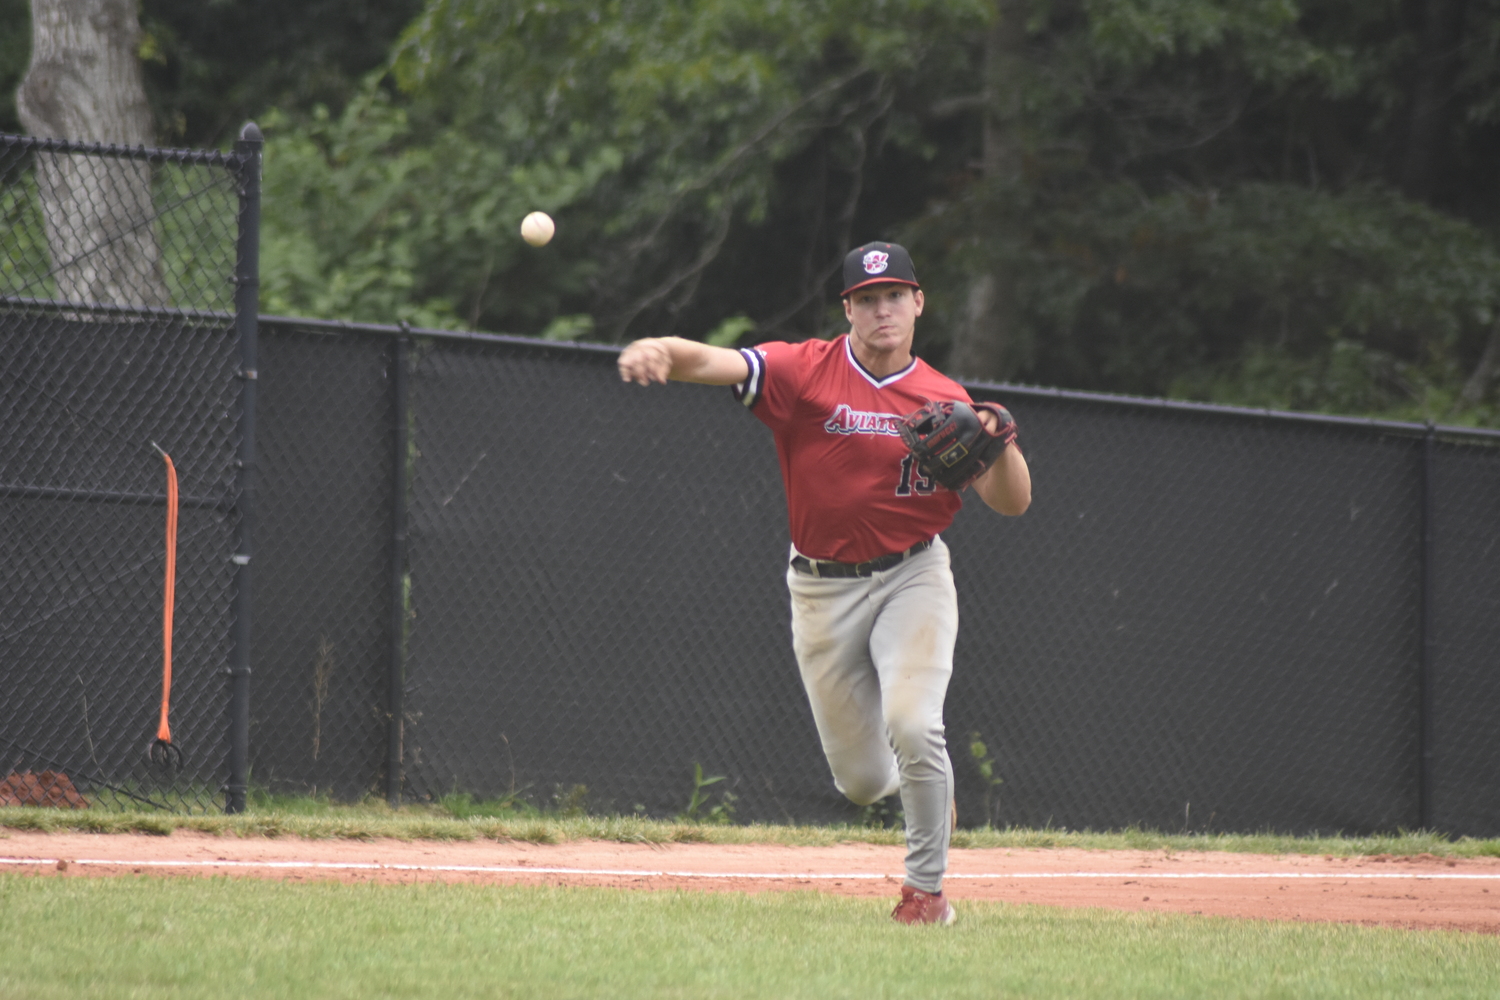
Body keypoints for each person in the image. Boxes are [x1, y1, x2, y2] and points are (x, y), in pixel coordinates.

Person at [617, 241, 1031, 925]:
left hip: (913, 575)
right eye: (867, 299)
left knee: (914, 723)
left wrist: (1004, 441)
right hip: (821, 589)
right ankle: (923, 784)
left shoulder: (947, 398)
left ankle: (926, 894)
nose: (882, 310)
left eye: (895, 295)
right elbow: (716, 361)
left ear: (919, 302)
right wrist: (661, 347)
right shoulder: (805, 371)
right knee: (864, 782)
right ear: (848, 310)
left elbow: (1012, 503)